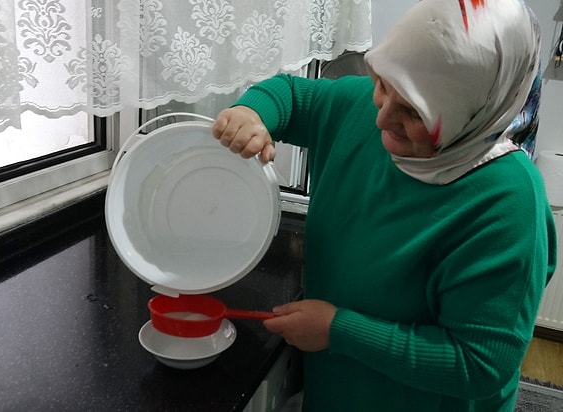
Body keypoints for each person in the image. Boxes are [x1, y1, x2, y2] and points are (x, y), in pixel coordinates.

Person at [212, 0, 557, 410]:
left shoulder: (508, 203)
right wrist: (250, 113)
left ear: (477, 117)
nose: (381, 118)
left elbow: (479, 365)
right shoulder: (360, 106)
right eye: (382, 82)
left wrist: (338, 330)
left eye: (412, 111)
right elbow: (291, 94)